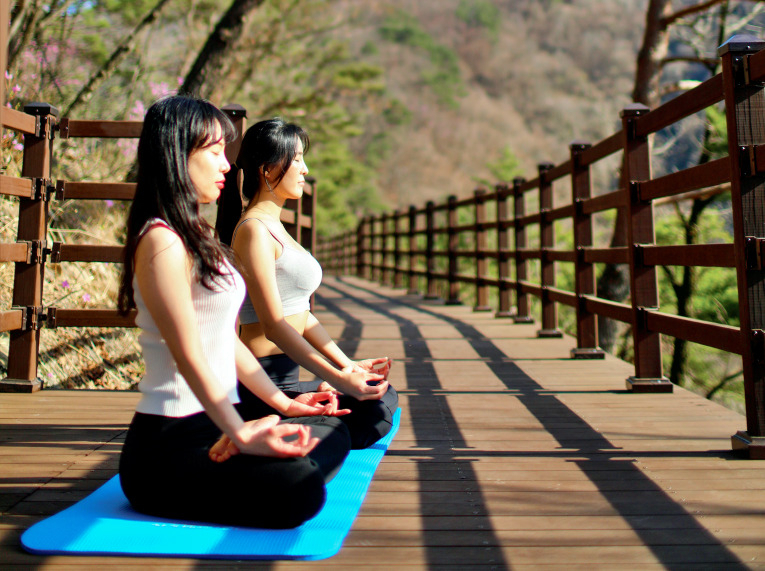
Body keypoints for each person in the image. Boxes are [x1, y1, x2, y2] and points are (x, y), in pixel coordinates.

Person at [117, 96, 352, 529]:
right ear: (177, 153)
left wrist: (286, 403)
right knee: (302, 483)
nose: (226, 164)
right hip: (168, 446)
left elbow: (223, 338)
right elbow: (190, 353)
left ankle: (242, 443)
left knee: (332, 434)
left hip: (214, 427)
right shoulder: (160, 242)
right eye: (212, 152)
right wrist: (243, 433)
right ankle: (235, 450)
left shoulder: (198, 238)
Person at [219, 118, 398, 450]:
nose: (305, 168)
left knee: (380, 395)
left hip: (288, 379)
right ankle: (278, 423)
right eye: (297, 158)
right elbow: (274, 326)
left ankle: (310, 416)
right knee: (372, 412)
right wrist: (336, 379)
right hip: (262, 383)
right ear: (267, 169)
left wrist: (347, 366)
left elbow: (301, 314)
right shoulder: (254, 230)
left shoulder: (274, 225)